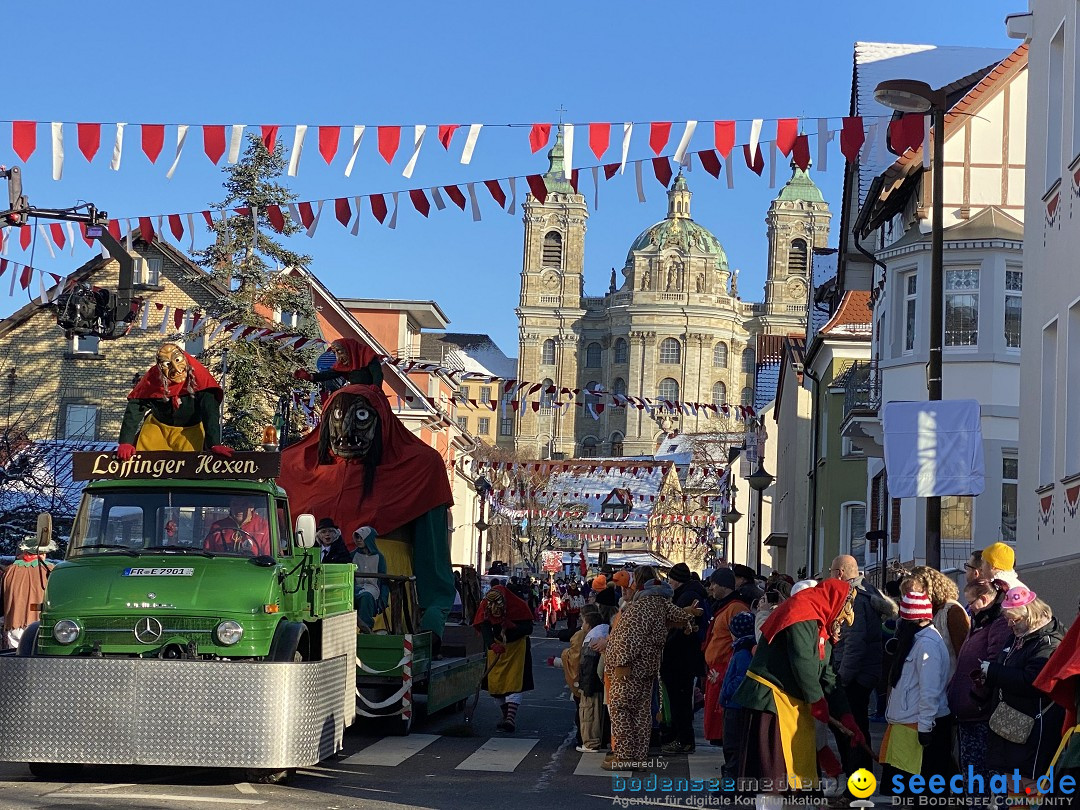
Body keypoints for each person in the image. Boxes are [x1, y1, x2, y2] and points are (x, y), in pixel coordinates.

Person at [734, 578, 861, 792]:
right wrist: (818, 701)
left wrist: (846, 716)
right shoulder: (801, 611)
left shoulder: (821, 623)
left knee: (796, 779)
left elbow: (828, 675)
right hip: (771, 702)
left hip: (794, 703)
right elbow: (802, 661)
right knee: (774, 780)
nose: (844, 615)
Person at [602, 565, 697, 770]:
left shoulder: (641, 606)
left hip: (631, 669)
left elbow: (631, 637)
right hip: (648, 667)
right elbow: (679, 616)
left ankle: (626, 756)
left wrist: (622, 663)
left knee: (621, 709)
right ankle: (638, 756)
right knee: (642, 713)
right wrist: (689, 617)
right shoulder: (662, 602)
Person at [982, 585, 1064, 783]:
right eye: (1007, 619)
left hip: (1031, 730)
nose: (1010, 624)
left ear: (1030, 614)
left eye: (1014, 619)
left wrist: (993, 671)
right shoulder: (1020, 636)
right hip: (1012, 727)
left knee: (1026, 789)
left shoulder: (1048, 642)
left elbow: (1032, 682)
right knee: (1012, 788)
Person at [879, 590, 953, 800]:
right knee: (909, 793)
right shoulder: (917, 639)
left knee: (924, 792)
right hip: (908, 725)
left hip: (920, 727)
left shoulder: (927, 643)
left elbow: (930, 691)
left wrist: (925, 728)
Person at [829, 554, 895, 784]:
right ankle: (856, 782)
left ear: (839, 573)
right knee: (855, 728)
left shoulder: (855, 599)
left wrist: (842, 679)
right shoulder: (865, 594)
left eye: (831, 571)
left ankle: (857, 784)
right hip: (864, 674)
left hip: (855, 677)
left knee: (851, 730)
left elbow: (854, 643)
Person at [117, 342, 231, 459]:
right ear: (160, 367)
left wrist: (214, 443)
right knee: (145, 465)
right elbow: (136, 406)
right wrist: (126, 441)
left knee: (188, 466)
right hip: (157, 428)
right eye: (167, 364)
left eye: (177, 360)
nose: (176, 369)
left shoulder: (201, 380)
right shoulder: (153, 378)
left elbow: (210, 413)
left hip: (190, 431)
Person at [947, 579, 1011, 786]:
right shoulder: (979, 622)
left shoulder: (997, 624)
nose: (968, 607)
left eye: (971, 602)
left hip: (979, 714)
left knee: (980, 777)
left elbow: (993, 666)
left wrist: (975, 698)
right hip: (968, 712)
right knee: (971, 775)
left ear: (984, 599)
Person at [473, 585, 535, 733]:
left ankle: (510, 719)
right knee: (496, 684)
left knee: (514, 682)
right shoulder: (485, 605)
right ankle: (506, 716)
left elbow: (528, 628)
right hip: (497, 647)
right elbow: (485, 626)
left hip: (517, 648)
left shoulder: (519, 605)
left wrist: (513, 626)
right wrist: (492, 644)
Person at [660, 563, 708, 754]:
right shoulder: (687, 593)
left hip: (681, 658)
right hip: (682, 657)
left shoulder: (687, 597)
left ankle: (684, 740)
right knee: (678, 699)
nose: (669, 581)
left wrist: (666, 643)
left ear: (676, 579)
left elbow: (679, 627)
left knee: (680, 699)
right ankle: (678, 737)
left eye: (671, 578)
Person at [702, 567, 752, 744]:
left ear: (723, 585)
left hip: (724, 670)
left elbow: (740, 638)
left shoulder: (735, 608)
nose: (711, 588)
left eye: (714, 584)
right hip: (717, 669)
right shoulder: (724, 607)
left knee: (722, 716)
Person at [906, 565, 969, 678]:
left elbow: (962, 654)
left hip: (946, 685)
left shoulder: (952, 611)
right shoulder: (922, 613)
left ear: (928, 588)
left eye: (914, 591)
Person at [719, 610, 756, 782]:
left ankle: (731, 784)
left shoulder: (742, 653)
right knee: (736, 747)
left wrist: (726, 691)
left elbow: (740, 679)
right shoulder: (746, 650)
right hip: (737, 706)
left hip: (735, 706)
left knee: (733, 747)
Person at [1, 537, 54, 650]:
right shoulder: (50, 569)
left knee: (14, 654)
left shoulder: (10, 570)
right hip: (42, 623)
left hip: (14, 622)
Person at [293, 337, 384, 398]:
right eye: (334, 352)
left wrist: (376, 387)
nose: (337, 355)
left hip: (371, 392)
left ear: (349, 349)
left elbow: (377, 374)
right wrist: (311, 377)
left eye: (339, 351)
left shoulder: (368, 356)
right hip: (354, 391)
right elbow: (329, 374)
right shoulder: (343, 364)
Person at [576, 604, 607, 753]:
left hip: (591, 685)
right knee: (599, 714)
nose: (582, 625)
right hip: (601, 684)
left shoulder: (592, 640)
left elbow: (588, 666)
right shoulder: (604, 632)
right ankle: (597, 741)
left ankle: (590, 743)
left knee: (589, 714)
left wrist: (585, 687)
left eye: (583, 622)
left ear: (588, 624)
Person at [203, 497, 271, 556]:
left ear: (251, 507)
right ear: (230, 506)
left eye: (244, 505)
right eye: (235, 505)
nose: (239, 509)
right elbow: (207, 553)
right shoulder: (217, 527)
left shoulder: (264, 527)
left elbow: (269, 558)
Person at [352, 526, 388, 630]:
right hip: (355, 588)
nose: (358, 540)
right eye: (357, 537)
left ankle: (366, 628)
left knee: (366, 596)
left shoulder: (379, 557)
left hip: (372, 589)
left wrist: (384, 598)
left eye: (361, 537)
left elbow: (384, 579)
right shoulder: (353, 555)